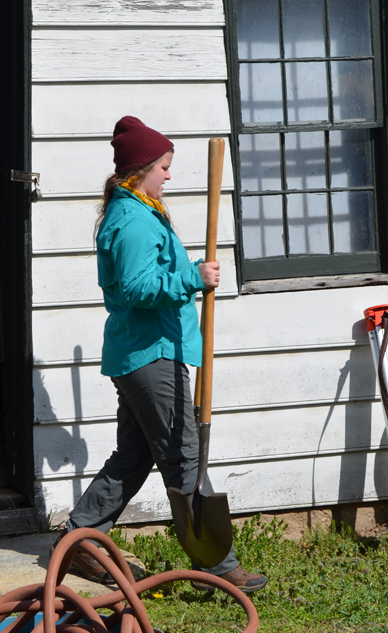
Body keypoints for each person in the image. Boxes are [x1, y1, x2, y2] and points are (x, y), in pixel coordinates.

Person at [53, 115, 266, 595]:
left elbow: (145, 279)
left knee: (134, 455)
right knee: (183, 454)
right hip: (151, 357)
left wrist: (189, 274)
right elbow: (136, 287)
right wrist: (192, 277)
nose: (169, 174)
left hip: (143, 352)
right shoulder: (133, 221)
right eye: (164, 166)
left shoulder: (139, 211)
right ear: (141, 170)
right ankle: (218, 565)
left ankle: (78, 540)